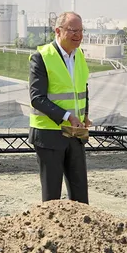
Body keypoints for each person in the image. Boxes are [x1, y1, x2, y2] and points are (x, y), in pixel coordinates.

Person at [28, 11, 91, 204]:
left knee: (80, 194)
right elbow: (37, 98)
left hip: (75, 133)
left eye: (81, 31)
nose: (78, 36)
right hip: (49, 135)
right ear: (58, 31)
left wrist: (84, 115)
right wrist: (67, 116)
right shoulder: (41, 57)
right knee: (52, 197)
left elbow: (82, 89)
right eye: (73, 31)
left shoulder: (79, 55)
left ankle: (81, 232)